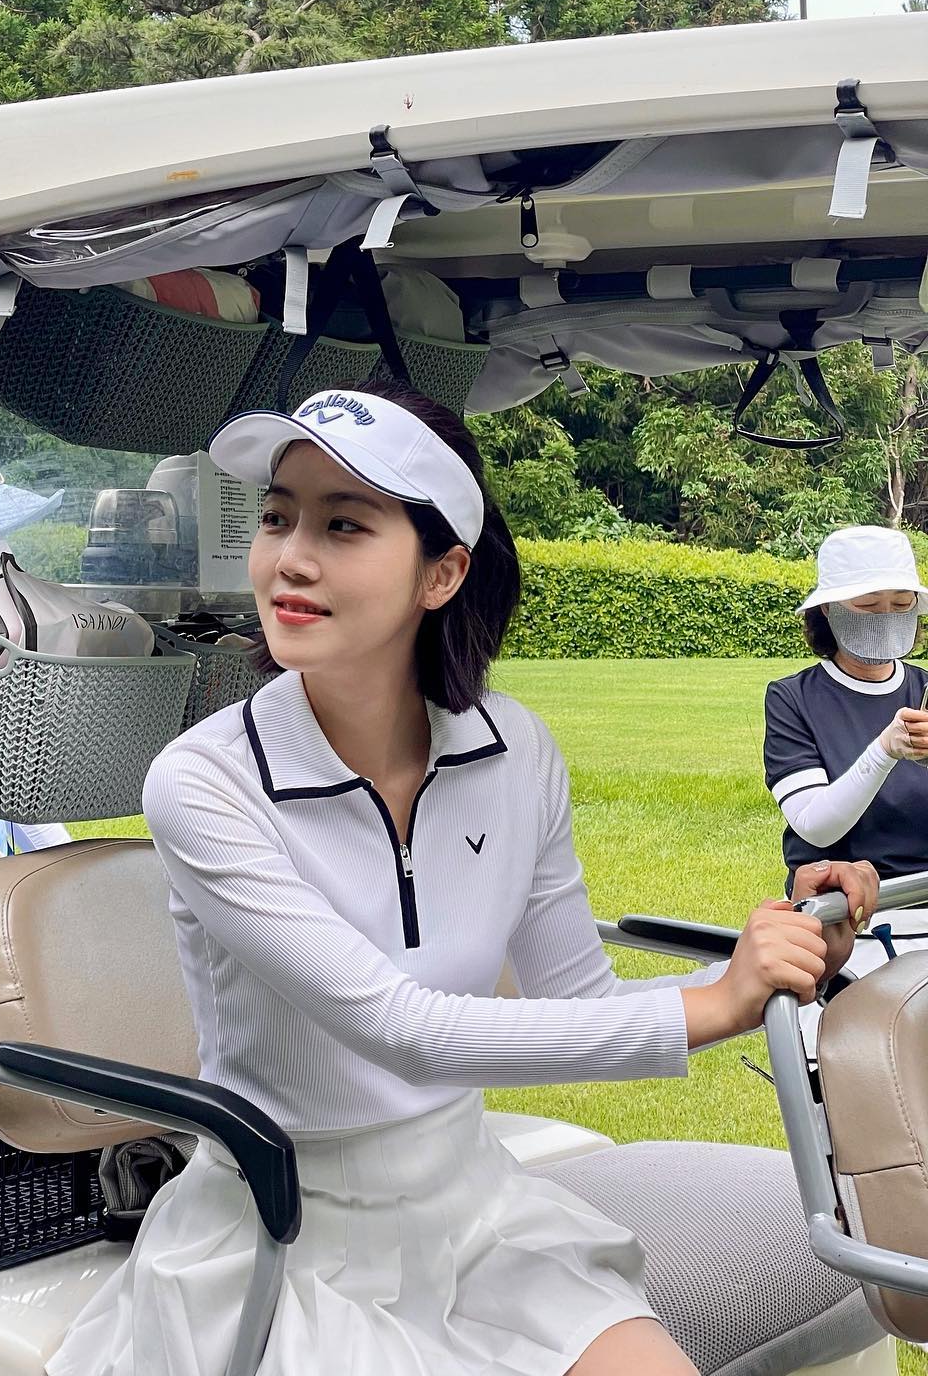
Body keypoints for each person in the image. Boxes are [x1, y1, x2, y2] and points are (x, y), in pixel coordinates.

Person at [47, 382, 876, 1376]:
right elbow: (406, 1032)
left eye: (343, 525)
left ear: (441, 574)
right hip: (285, 1237)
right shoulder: (205, 782)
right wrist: (715, 1003)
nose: (290, 559)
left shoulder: (515, 750)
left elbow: (581, 1004)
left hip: (473, 1211)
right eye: (276, 518)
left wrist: (782, 950)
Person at [765, 525, 928, 887]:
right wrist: (885, 750)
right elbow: (815, 827)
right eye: (868, 604)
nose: (886, 616)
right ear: (827, 608)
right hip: (842, 907)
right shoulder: (792, 699)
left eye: (901, 604)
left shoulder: (924, 688)